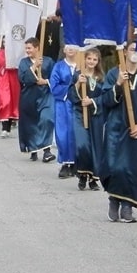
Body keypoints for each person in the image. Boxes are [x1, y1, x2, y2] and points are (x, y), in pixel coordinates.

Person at [100, 42, 137, 223]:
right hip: (115, 127)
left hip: (135, 129)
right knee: (114, 166)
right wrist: (118, 84)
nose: (135, 53)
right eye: (132, 50)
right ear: (124, 52)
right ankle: (113, 200)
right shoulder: (113, 74)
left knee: (130, 167)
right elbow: (105, 100)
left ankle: (127, 206)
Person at [69, 47, 106, 191]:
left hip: (95, 115)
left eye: (94, 59)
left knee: (95, 146)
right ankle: (82, 174)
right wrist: (78, 83)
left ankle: (92, 179)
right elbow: (71, 94)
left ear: (98, 61)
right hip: (79, 113)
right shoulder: (78, 75)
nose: (91, 61)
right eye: (89, 58)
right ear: (84, 59)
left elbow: (105, 97)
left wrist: (92, 101)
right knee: (82, 145)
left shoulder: (102, 77)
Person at [18, 38, 56, 163]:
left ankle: (47, 151)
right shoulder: (24, 62)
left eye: (29, 48)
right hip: (29, 96)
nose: (27, 50)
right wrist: (34, 67)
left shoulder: (49, 61)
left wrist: (46, 81)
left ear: (37, 47)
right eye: (26, 48)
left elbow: (56, 77)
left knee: (47, 119)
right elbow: (22, 78)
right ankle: (33, 148)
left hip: (45, 95)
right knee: (31, 123)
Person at [50, 45, 79, 178]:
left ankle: (77, 163)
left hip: (79, 104)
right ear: (64, 50)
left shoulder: (82, 66)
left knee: (77, 133)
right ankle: (66, 163)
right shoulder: (59, 67)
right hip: (64, 103)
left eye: (73, 47)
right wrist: (71, 89)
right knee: (63, 133)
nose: (71, 49)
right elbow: (54, 86)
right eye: (68, 47)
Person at [0, 36, 20, 138]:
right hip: (4, 80)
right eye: (4, 42)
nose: (5, 44)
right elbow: (3, 64)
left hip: (14, 80)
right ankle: (4, 128)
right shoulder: (1, 52)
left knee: (13, 104)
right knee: (5, 102)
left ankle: (9, 125)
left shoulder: (16, 53)